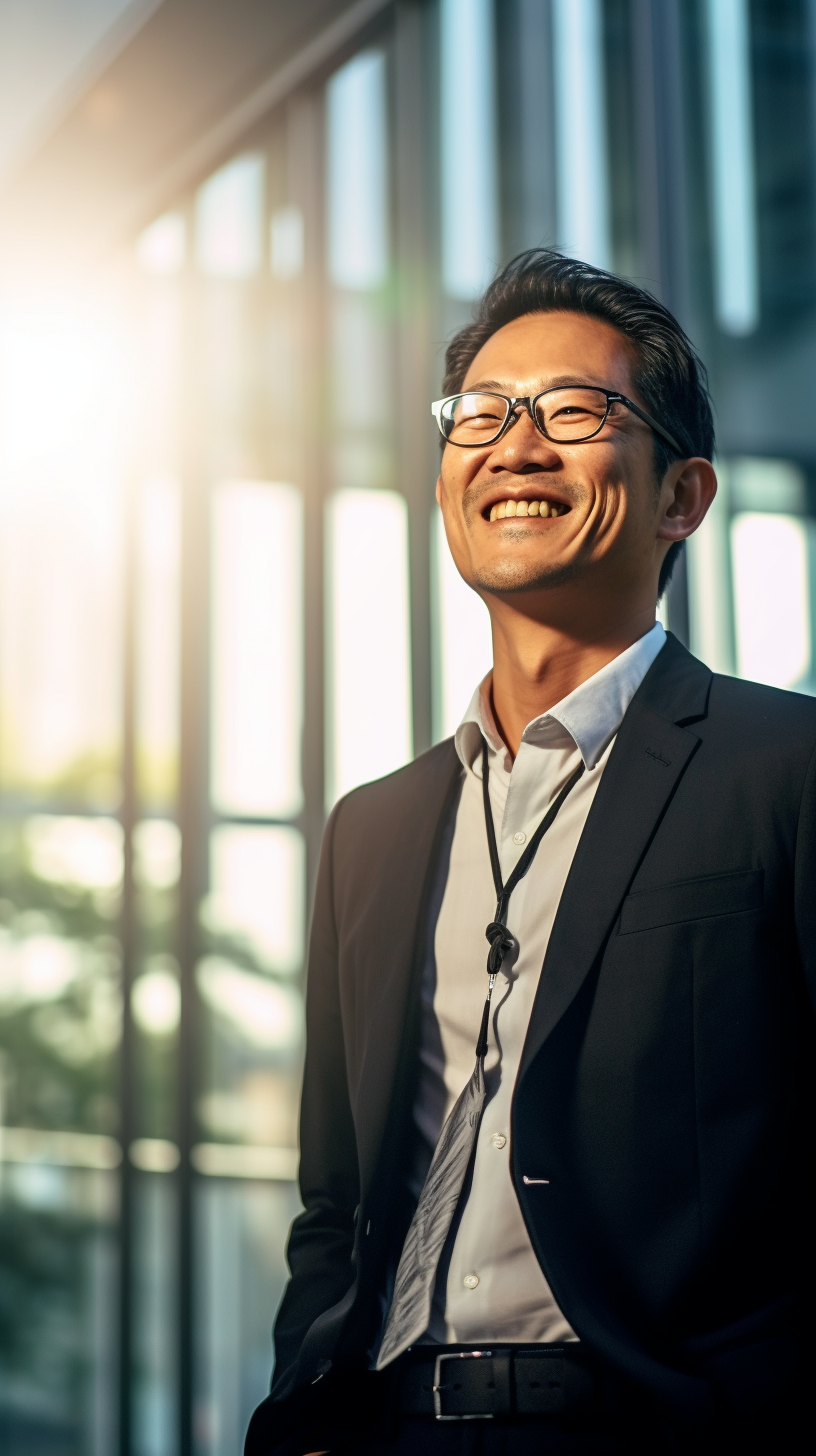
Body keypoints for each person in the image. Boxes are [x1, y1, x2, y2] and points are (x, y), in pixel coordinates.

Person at [245, 250, 816, 1456]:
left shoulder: (787, 768)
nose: (516, 445)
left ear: (682, 498)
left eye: (573, 412)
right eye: (483, 414)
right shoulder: (375, 827)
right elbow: (337, 1204)